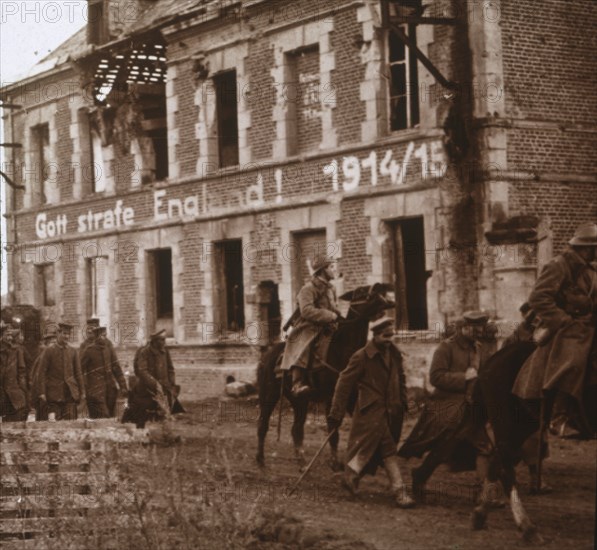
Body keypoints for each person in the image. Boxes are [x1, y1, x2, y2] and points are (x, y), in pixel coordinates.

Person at [399, 311, 497, 498]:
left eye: (480, 329)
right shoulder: (446, 348)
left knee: (485, 446)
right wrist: (463, 377)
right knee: (444, 448)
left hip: (471, 407)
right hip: (446, 407)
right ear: (462, 328)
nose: (478, 332)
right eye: (474, 329)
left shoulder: (478, 347)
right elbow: (436, 377)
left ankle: (484, 492)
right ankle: (420, 474)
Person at [513, 222, 597, 435]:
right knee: (574, 360)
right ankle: (559, 417)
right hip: (567, 327)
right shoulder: (559, 265)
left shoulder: (591, 270)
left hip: (589, 324)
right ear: (586, 248)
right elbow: (538, 297)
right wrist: (563, 320)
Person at [327, 317, 415, 508]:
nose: (389, 339)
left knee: (372, 449)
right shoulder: (361, 356)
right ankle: (400, 492)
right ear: (374, 335)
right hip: (370, 413)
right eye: (385, 336)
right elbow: (344, 383)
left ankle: (350, 475)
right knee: (389, 450)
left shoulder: (394, 354)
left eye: (391, 335)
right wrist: (336, 413)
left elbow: (400, 378)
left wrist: (403, 400)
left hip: (390, 409)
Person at [280, 254, 342, 396]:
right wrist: (330, 315)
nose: (334, 270)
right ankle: (297, 383)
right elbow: (306, 311)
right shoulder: (308, 289)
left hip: (328, 326)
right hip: (308, 326)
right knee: (304, 345)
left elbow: (334, 308)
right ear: (322, 270)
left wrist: (341, 315)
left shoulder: (330, 289)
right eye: (331, 267)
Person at [123, 329, 182, 428]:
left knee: (164, 413)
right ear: (154, 341)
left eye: (164, 340)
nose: (164, 342)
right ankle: (141, 434)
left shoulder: (165, 351)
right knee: (142, 414)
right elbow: (142, 371)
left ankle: (164, 435)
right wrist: (155, 384)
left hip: (164, 388)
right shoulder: (144, 352)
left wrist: (171, 383)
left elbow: (170, 369)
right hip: (147, 390)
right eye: (161, 340)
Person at [37, 322, 85, 421]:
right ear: (58, 334)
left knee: (71, 423)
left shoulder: (73, 351)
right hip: (53, 396)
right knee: (54, 424)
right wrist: (42, 392)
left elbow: (78, 373)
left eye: (68, 334)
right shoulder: (49, 351)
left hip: (70, 394)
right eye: (64, 333)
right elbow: (41, 373)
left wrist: (82, 392)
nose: (66, 336)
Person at [81, 326, 127, 418]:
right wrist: (84, 388)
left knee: (109, 418)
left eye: (105, 335)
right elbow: (80, 370)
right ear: (97, 337)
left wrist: (123, 386)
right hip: (95, 392)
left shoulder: (108, 349)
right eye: (102, 336)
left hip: (110, 391)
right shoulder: (89, 351)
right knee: (102, 416)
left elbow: (116, 368)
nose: (105, 338)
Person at [0, 323, 28, 422]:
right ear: (1, 335)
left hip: (14, 392)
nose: (9, 338)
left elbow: (21, 371)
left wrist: (23, 389)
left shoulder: (16, 350)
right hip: (2, 392)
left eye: (11, 335)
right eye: (6, 335)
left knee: (16, 420)